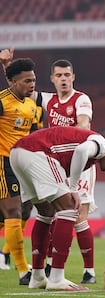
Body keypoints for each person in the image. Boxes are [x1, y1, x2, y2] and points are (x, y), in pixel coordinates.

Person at [0, 48, 97, 284]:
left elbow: (83, 126)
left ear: (73, 77)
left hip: (80, 161)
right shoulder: (46, 100)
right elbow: (16, 89)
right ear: (52, 79)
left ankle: (88, 271)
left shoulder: (81, 99)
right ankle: (41, 270)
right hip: (50, 163)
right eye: (59, 75)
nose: (63, 79)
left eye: (67, 75)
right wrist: (7, 66)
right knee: (48, 212)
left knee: (76, 214)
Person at [9, 126, 105, 291]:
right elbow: (81, 150)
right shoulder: (101, 145)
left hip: (17, 153)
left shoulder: (93, 155)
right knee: (69, 209)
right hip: (38, 153)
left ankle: (37, 277)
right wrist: (73, 188)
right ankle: (57, 278)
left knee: (46, 213)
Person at [0, 57, 38, 284]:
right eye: (26, 81)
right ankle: (24, 271)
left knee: (22, 212)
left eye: (33, 80)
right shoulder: (3, 102)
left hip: (22, 164)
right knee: (13, 212)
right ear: (13, 82)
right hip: (3, 162)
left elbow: (32, 136)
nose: (32, 84)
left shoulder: (31, 105)